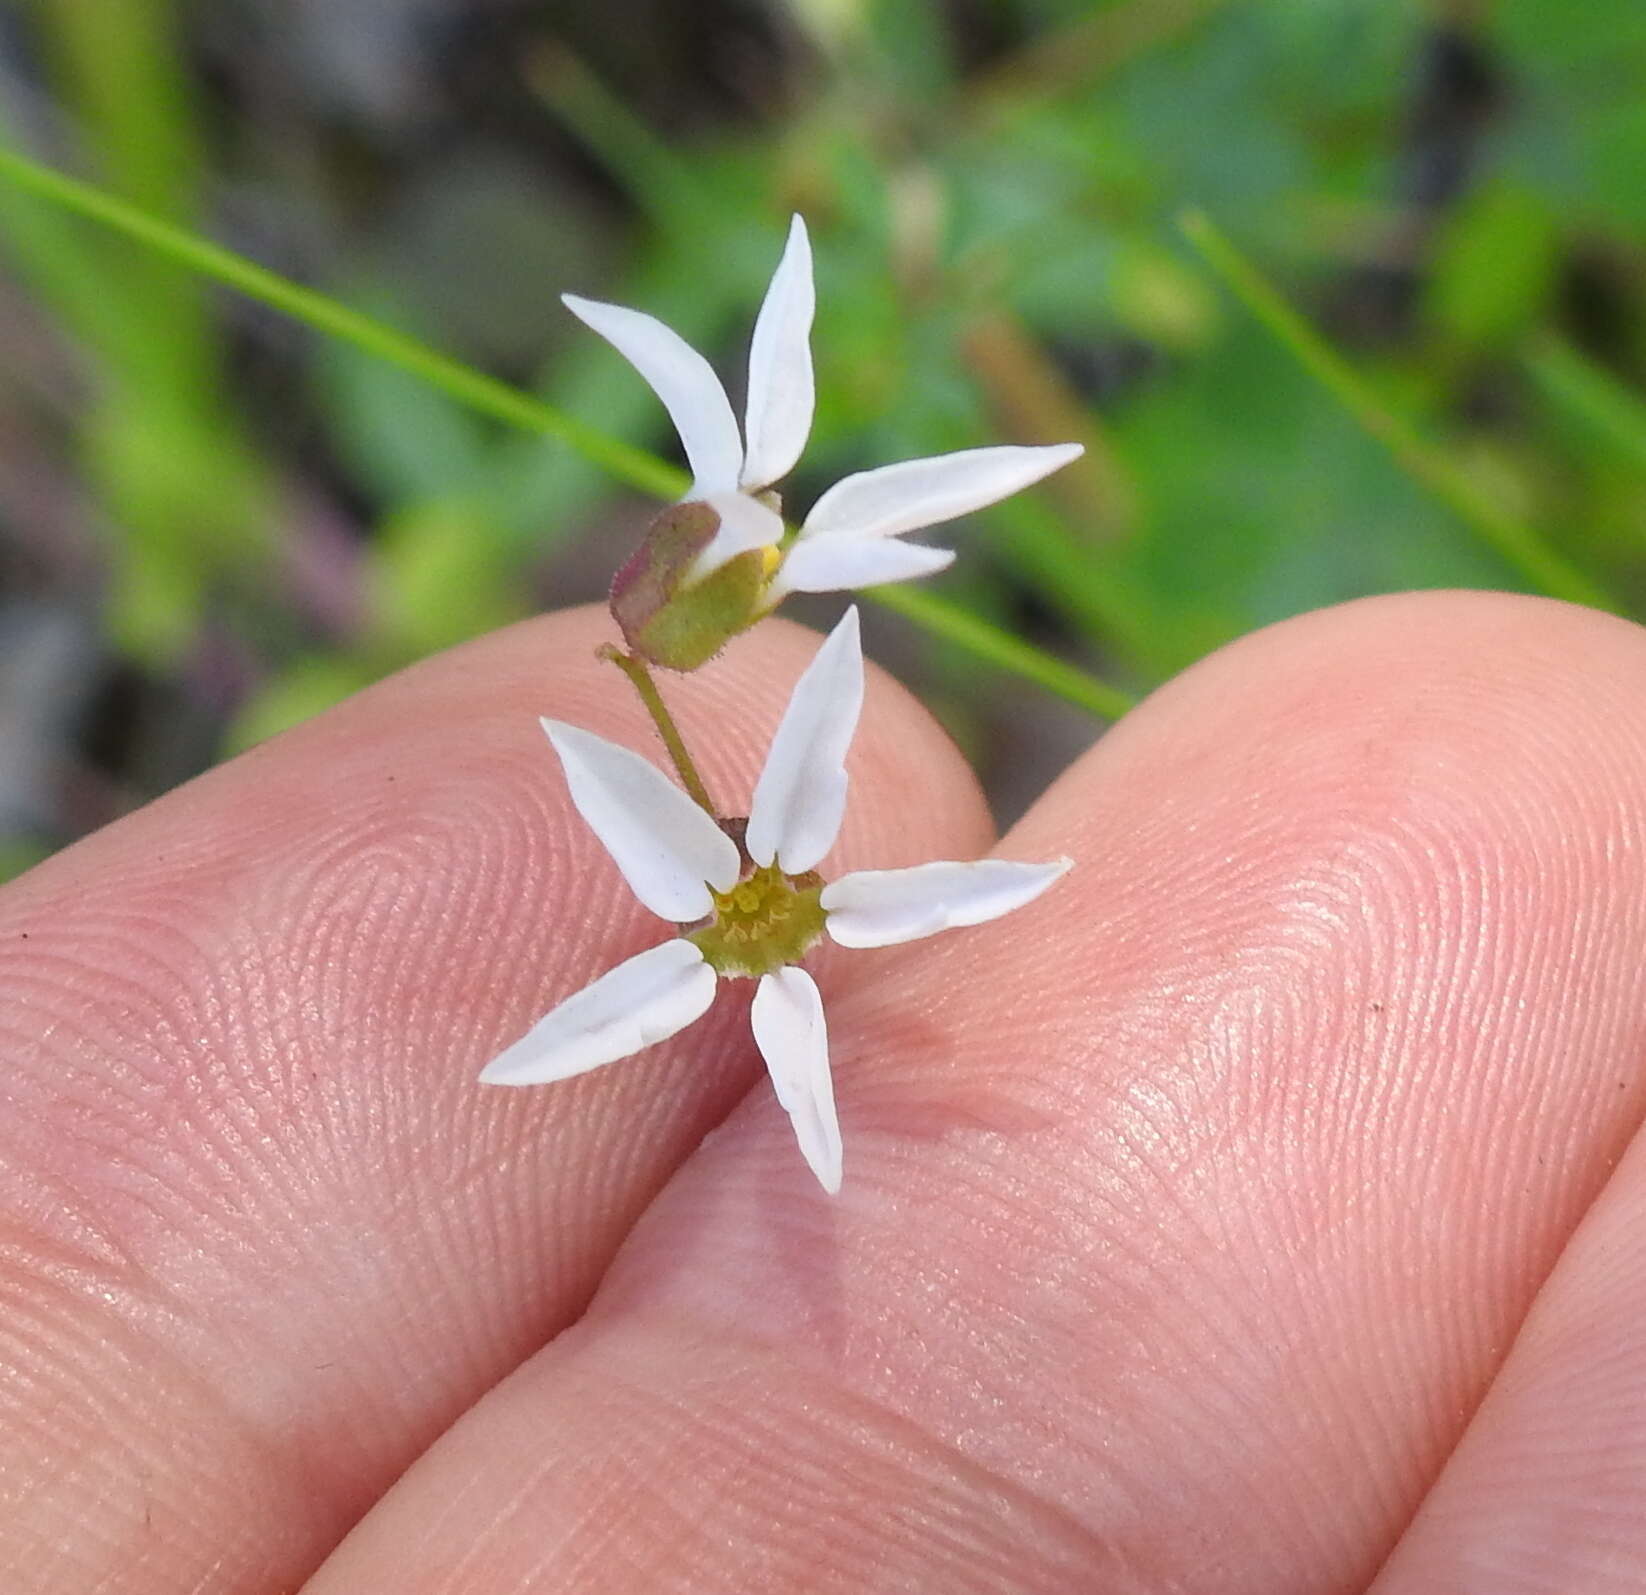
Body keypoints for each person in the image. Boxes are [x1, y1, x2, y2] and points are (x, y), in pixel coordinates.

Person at [2, 590, 1641, 1593]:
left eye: (755, 910)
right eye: (742, 910)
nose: (755, 914)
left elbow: (832, 879)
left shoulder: (768, 904)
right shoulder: (725, 929)